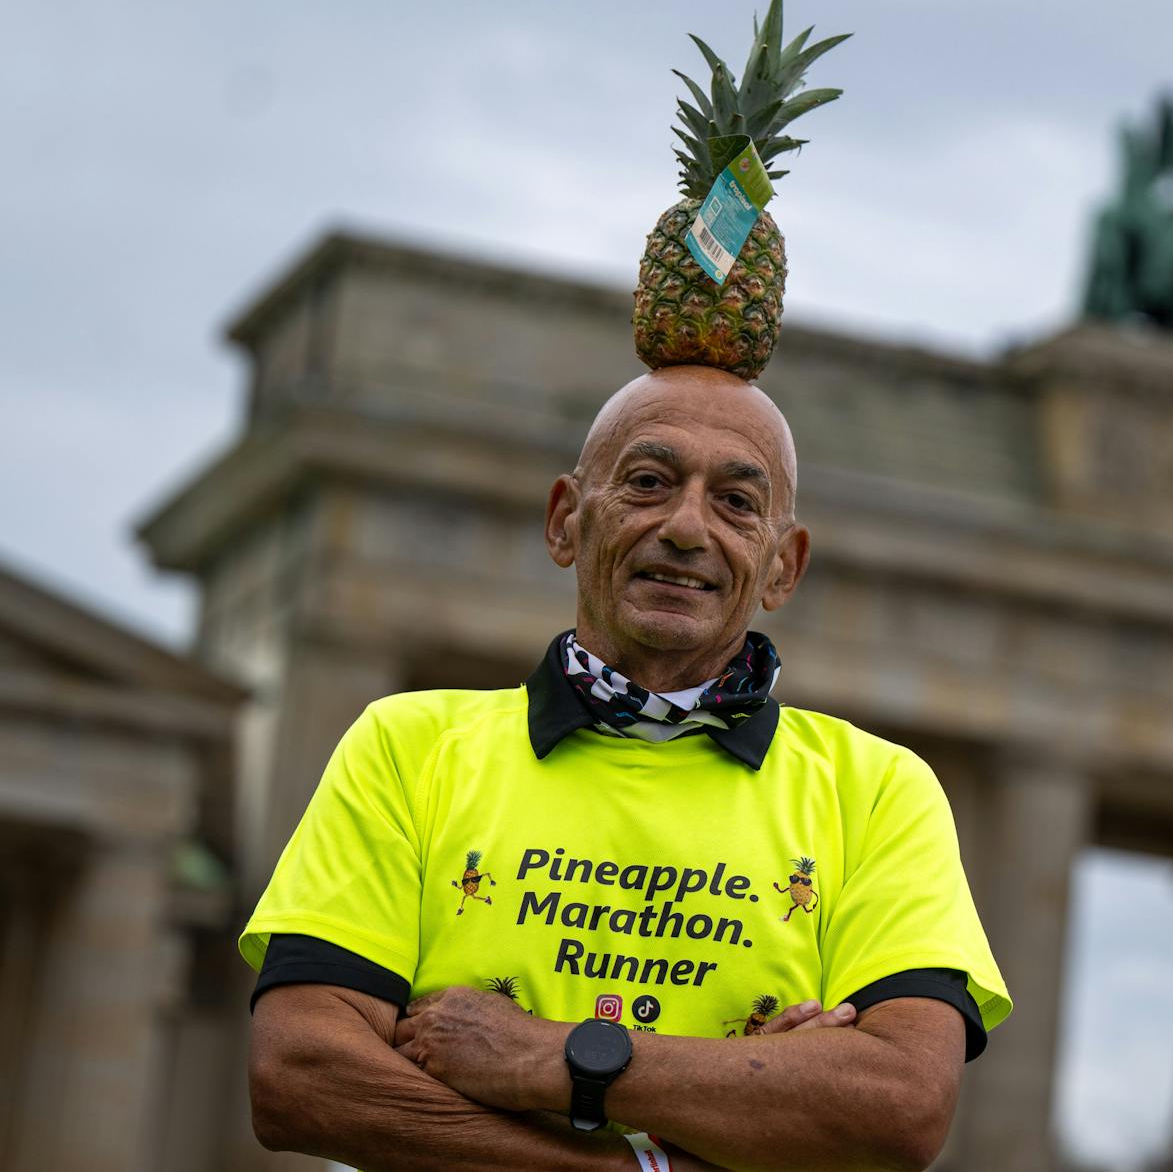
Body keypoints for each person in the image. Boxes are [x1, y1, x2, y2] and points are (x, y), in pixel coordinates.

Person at [242, 365, 1010, 1171]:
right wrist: (656, 1150)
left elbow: (902, 1105)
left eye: (736, 503)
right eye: (648, 482)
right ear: (565, 520)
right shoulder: (408, 746)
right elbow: (298, 1074)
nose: (685, 527)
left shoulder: (880, 789)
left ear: (784, 565)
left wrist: (547, 1056)